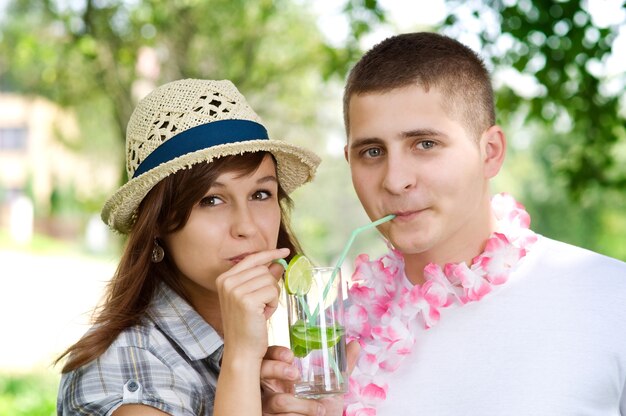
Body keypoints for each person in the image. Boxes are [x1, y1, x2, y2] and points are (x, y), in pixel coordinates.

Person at [262, 32, 626, 415]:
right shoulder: (327, 348)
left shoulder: (611, 297)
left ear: (490, 152)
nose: (395, 179)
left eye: (424, 144)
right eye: (372, 151)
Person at [55, 78, 321, 415]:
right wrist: (240, 359)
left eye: (260, 194)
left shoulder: (250, 361)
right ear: (160, 223)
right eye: (211, 199)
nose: (247, 226)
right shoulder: (124, 361)